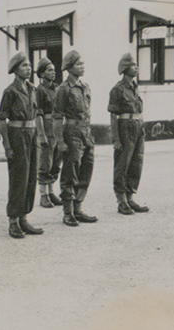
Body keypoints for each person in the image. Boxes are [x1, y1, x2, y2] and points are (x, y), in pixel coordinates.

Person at [0, 53, 44, 239]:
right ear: (15, 69)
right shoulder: (10, 92)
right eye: (24, 65)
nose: (28, 68)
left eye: (29, 65)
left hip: (31, 135)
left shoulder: (33, 89)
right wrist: (7, 145)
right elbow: (2, 120)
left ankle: (24, 218)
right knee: (19, 179)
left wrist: (39, 136)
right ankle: (13, 221)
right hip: (17, 136)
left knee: (31, 177)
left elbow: (37, 115)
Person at [53, 50, 98, 227]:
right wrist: (60, 141)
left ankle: (78, 208)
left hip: (86, 132)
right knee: (70, 173)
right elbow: (57, 116)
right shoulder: (63, 89)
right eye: (79, 64)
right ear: (69, 68)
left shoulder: (85, 86)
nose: (82, 67)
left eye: (83, 64)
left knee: (86, 170)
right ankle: (68, 212)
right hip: (71, 133)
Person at [108, 53, 150, 215]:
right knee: (123, 164)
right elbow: (113, 115)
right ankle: (121, 201)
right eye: (133, 65)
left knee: (136, 162)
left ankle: (130, 198)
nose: (136, 67)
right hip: (125, 128)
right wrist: (116, 139)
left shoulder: (135, 87)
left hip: (138, 128)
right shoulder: (117, 89)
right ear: (125, 69)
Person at [35, 58, 63, 208]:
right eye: (49, 70)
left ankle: (52, 192)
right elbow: (38, 114)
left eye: (53, 70)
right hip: (46, 126)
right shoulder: (39, 90)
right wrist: (41, 134)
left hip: (57, 127)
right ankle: (43, 195)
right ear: (41, 73)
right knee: (45, 161)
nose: (53, 72)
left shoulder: (57, 89)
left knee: (56, 161)